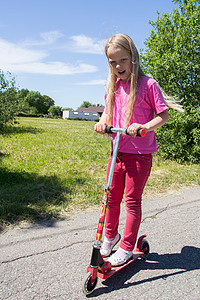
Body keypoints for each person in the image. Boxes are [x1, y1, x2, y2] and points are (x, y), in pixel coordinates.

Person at [94, 33, 170, 267]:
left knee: (132, 200)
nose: (118, 66)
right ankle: (111, 236)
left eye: (122, 60)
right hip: (117, 151)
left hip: (140, 154)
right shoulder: (112, 87)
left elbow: (163, 115)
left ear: (133, 58)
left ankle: (127, 246)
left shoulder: (148, 84)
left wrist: (143, 127)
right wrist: (103, 123)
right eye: (112, 62)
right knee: (111, 197)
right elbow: (107, 112)